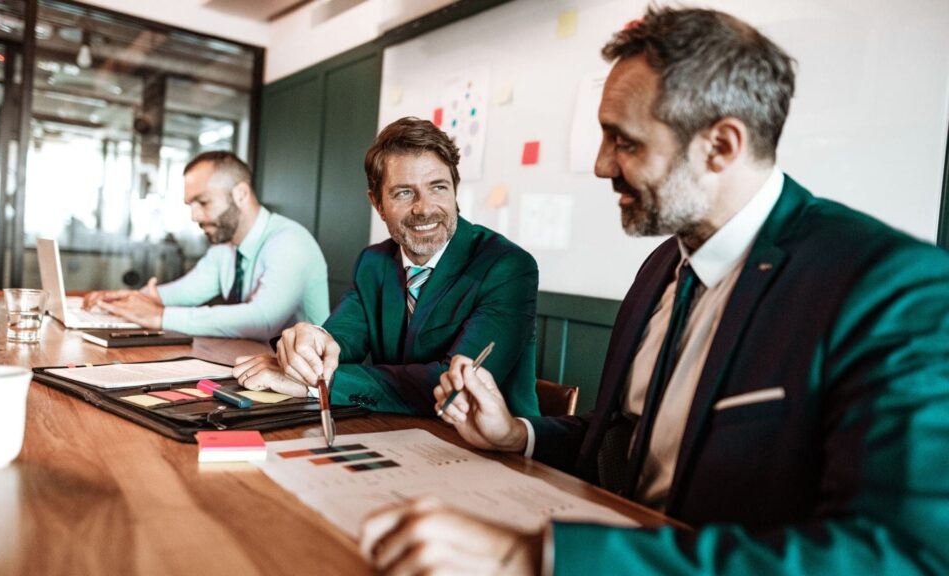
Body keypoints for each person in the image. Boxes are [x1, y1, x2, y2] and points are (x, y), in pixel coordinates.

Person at [359, 7, 949, 574]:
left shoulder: (890, 288)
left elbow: (897, 557)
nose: (599, 165)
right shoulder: (661, 269)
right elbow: (626, 440)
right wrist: (520, 434)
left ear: (721, 145)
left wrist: (534, 558)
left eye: (625, 141)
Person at [232, 117, 541, 416]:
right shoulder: (373, 262)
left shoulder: (508, 267)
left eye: (438, 187)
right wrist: (310, 345)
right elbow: (340, 340)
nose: (424, 208)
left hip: (493, 453)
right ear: (377, 204)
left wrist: (318, 385)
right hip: (394, 434)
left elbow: (454, 386)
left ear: (454, 190)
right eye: (404, 192)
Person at [83, 151, 329, 341]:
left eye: (203, 202)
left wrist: (160, 316)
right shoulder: (225, 248)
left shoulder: (290, 242)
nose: (195, 216)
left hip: (306, 389)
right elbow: (184, 292)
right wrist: (125, 300)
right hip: (255, 369)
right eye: (190, 205)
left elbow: (261, 320)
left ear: (241, 194)